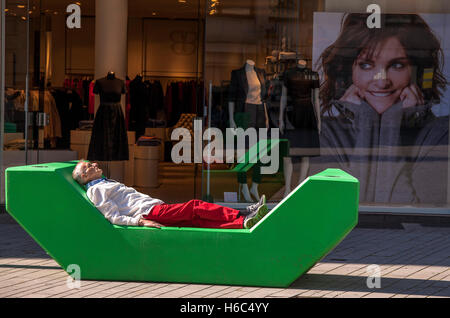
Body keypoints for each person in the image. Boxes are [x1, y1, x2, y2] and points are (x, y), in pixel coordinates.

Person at [316, 13, 448, 204]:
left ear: (416, 72)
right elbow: (342, 210)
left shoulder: (440, 133)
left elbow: (414, 218)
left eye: (396, 65)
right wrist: (366, 121)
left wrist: (392, 123)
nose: (382, 80)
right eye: (366, 65)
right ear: (349, 71)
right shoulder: (327, 133)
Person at [72, 160, 269, 229]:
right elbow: (112, 217)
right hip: (149, 212)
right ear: (85, 175)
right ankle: (241, 216)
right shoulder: (95, 190)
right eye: (90, 166)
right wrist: (139, 222)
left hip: (153, 208)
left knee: (196, 220)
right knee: (195, 206)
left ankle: (241, 223)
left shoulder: (105, 183)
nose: (95, 165)